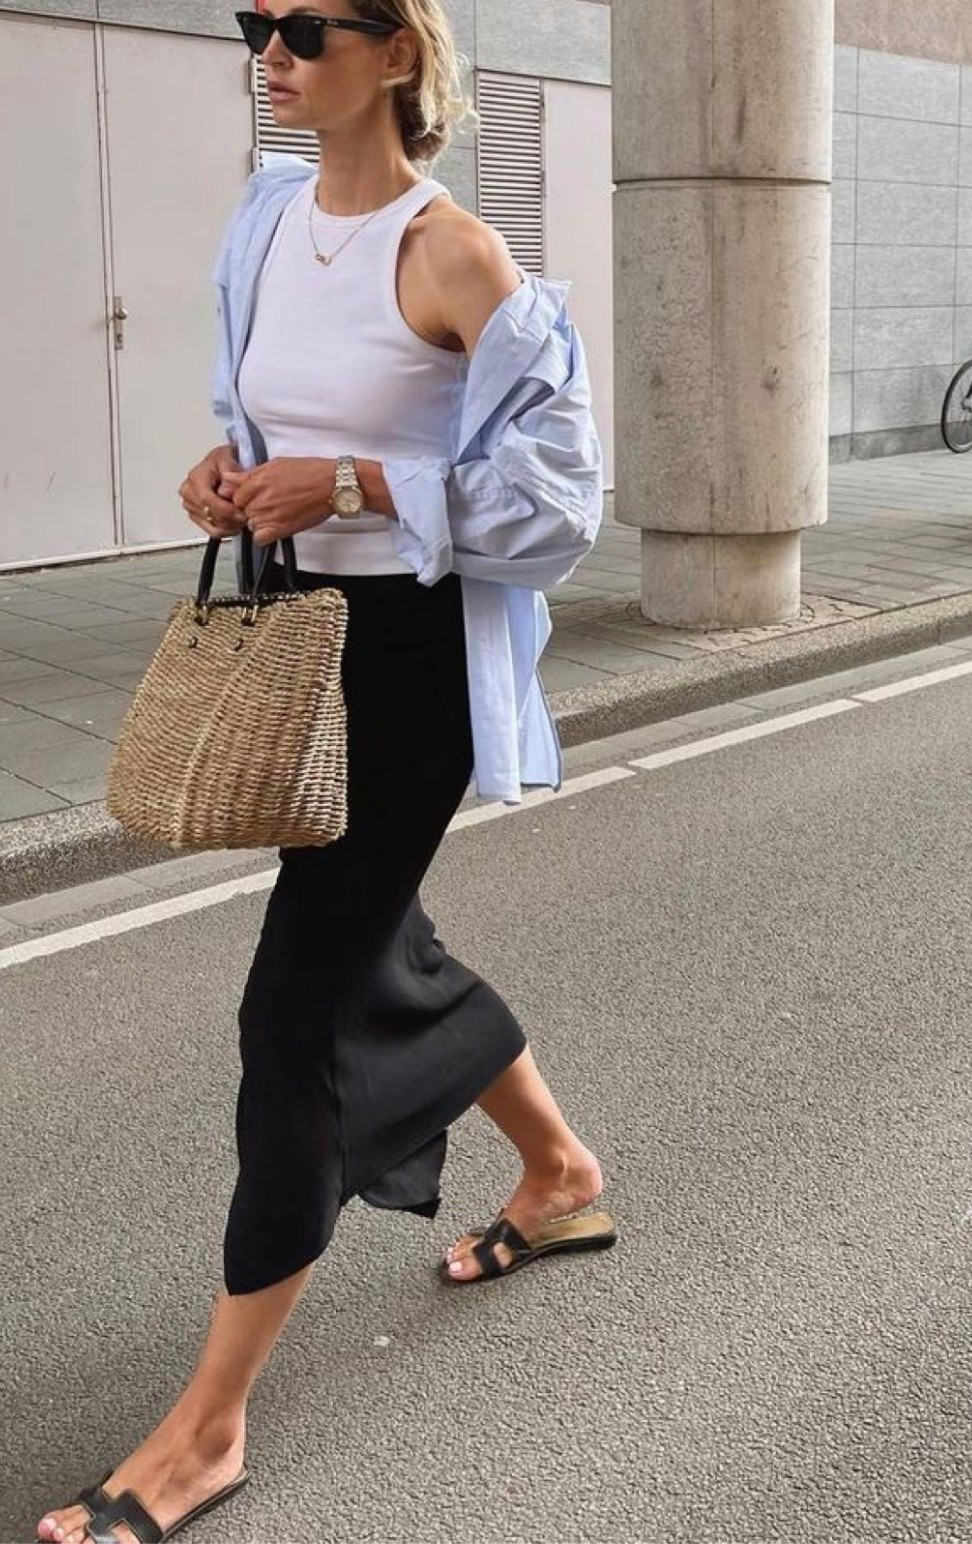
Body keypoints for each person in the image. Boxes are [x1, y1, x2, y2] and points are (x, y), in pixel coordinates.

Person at [36, 4, 616, 1541]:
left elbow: (561, 507)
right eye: (255, 24)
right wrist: (226, 472)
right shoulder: (269, 217)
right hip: (295, 629)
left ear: (397, 52)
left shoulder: (458, 256)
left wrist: (362, 482)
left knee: (293, 1013)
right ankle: (559, 1169)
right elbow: (260, 409)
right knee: (383, 943)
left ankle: (207, 1431)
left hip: (405, 672)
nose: (268, 51)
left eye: (303, 26)